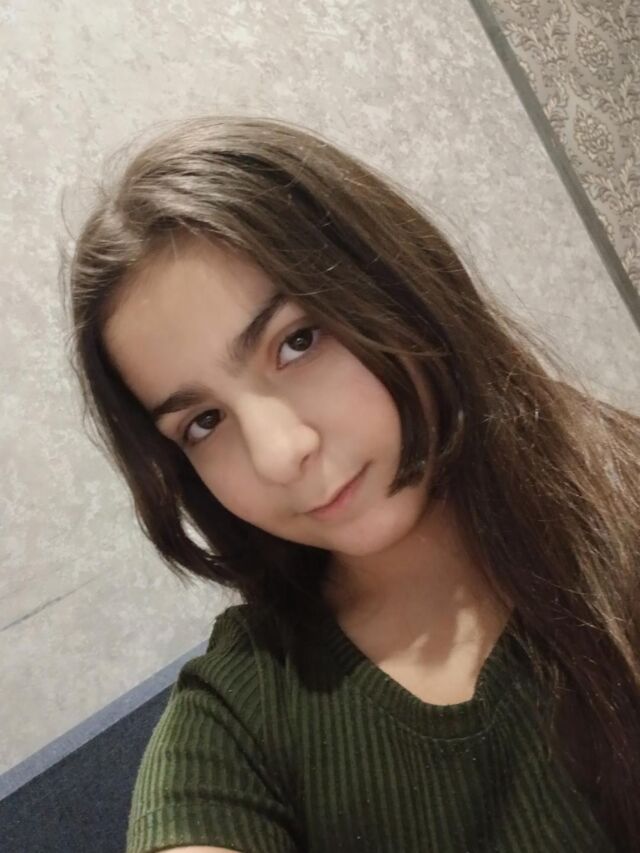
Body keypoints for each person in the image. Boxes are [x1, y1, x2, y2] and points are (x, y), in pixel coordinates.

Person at [64, 115, 640, 853]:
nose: (279, 454)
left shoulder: (619, 506)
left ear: (398, 283)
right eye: (204, 422)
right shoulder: (240, 714)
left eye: (297, 341)